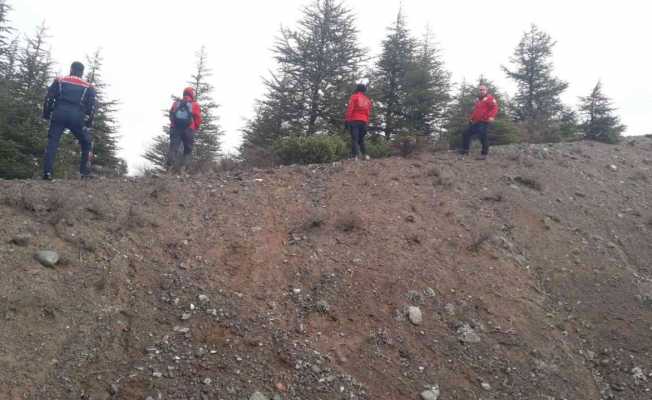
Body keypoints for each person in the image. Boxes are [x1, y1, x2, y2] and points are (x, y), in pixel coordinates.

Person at [42, 61, 96, 180]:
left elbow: (48, 98)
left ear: (71, 69)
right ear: (82, 72)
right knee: (86, 142)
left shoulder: (60, 80)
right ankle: (84, 173)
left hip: (59, 114)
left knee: (52, 143)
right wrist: (89, 122)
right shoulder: (88, 86)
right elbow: (92, 107)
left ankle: (47, 173)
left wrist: (46, 114)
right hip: (77, 117)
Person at [167, 87, 202, 172]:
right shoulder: (195, 105)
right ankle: (184, 170)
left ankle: (169, 169)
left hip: (175, 129)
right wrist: (195, 128)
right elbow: (198, 118)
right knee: (188, 150)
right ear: (191, 94)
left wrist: (173, 125)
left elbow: (171, 115)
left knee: (173, 148)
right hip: (189, 129)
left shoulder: (176, 103)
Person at [460, 85, 499, 160]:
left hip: (484, 121)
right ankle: (465, 151)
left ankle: (484, 154)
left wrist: (491, 116)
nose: (481, 91)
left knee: (483, 136)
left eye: (483, 90)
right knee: (465, 133)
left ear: (486, 90)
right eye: (480, 90)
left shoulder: (490, 98)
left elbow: (495, 108)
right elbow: (476, 111)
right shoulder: (479, 100)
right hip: (476, 121)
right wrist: (471, 119)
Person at [345, 83, 372, 160]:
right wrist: (366, 122)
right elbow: (368, 112)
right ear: (364, 90)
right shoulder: (367, 100)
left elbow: (350, 109)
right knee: (361, 139)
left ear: (357, 89)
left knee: (355, 139)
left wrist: (347, 120)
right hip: (364, 121)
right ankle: (365, 155)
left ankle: (355, 156)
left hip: (354, 120)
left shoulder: (354, 97)